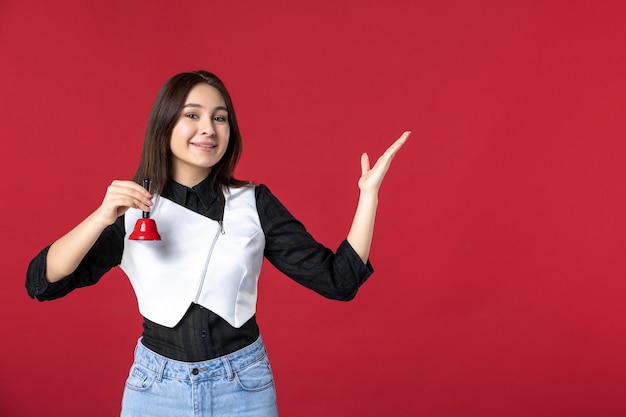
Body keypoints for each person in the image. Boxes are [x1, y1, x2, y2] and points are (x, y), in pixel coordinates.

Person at [25, 70, 409, 417]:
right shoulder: (130, 205)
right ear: (165, 125)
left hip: (244, 387)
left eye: (219, 117)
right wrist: (100, 217)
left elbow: (338, 281)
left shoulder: (254, 203)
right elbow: (42, 282)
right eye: (192, 115)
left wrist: (368, 195)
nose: (208, 128)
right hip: (154, 389)